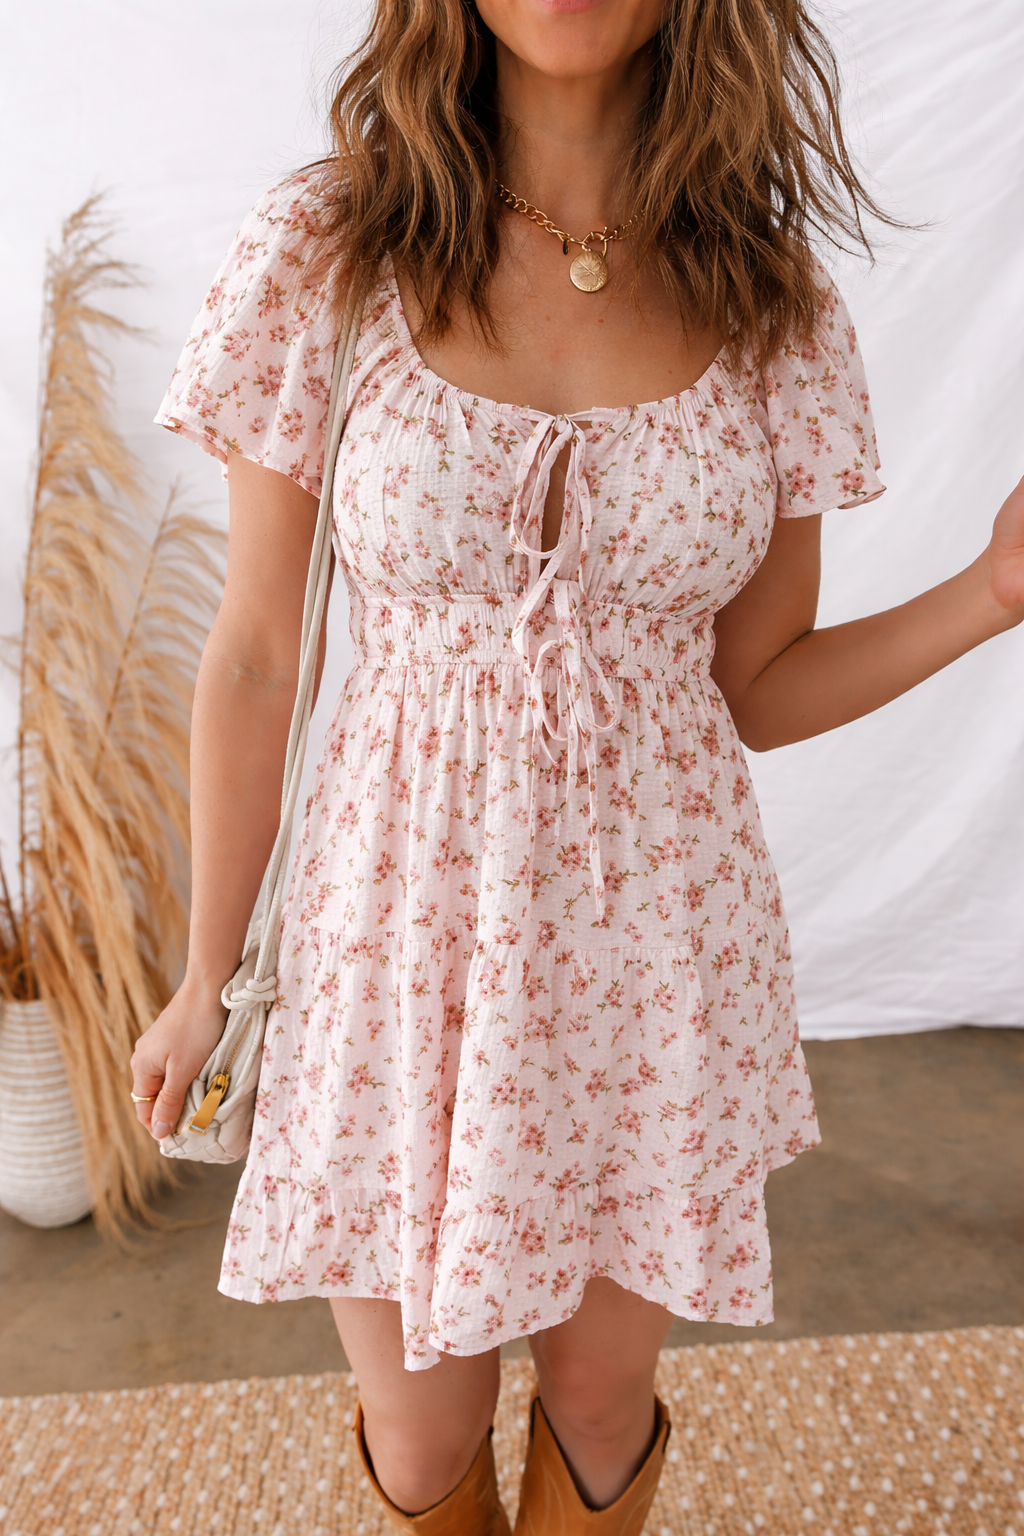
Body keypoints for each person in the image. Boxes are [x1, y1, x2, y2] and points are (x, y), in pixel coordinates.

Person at [131, 1, 1024, 1531]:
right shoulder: (329, 246)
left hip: (654, 954)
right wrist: (209, 972)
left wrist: (994, 593)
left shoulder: (768, 297)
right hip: (397, 945)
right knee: (422, 1436)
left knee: (603, 1405)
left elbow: (759, 687)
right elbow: (260, 653)